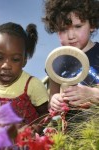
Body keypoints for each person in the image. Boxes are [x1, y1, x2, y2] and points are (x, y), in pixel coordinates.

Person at [42, 0, 99, 130]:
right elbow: (52, 99)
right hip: (72, 136)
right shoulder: (55, 62)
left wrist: (92, 94)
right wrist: (55, 101)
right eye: (63, 30)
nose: (71, 36)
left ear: (92, 25)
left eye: (78, 26)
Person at [0, 22, 49, 125]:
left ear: (24, 60)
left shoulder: (32, 85)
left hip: (26, 140)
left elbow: (45, 114)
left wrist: (35, 129)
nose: (6, 65)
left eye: (15, 59)